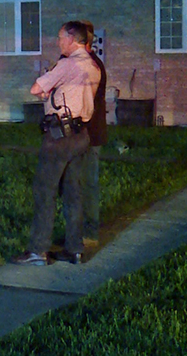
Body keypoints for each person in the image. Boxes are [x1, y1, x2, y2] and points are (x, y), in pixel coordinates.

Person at [12, 21, 101, 265]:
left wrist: (46, 87)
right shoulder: (93, 66)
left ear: (72, 39)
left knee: (45, 191)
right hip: (80, 135)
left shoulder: (67, 64)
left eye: (61, 38)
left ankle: (38, 250)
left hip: (59, 137)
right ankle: (75, 249)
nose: (59, 42)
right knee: (73, 193)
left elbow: (35, 88)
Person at [80, 21, 107, 247]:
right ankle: (79, 230)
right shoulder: (85, 63)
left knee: (88, 183)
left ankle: (89, 232)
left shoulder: (91, 66)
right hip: (83, 134)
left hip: (89, 134)